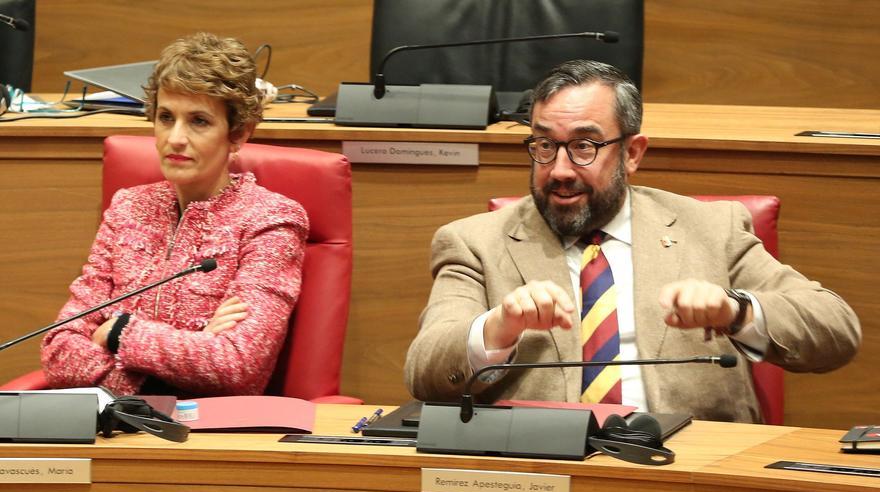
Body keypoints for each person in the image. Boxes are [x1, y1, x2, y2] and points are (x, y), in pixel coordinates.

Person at [404, 60, 861, 422]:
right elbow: (424, 371)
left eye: (584, 147)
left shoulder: (710, 228)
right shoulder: (473, 242)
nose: (560, 169)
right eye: (544, 146)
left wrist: (736, 310)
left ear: (632, 153)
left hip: (689, 466)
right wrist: (496, 329)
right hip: (542, 467)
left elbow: (835, 329)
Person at [41, 32, 308, 398]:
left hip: (208, 438)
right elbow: (58, 350)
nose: (176, 138)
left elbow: (238, 366)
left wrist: (118, 333)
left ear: (238, 134)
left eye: (198, 121)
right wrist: (178, 362)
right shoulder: (128, 208)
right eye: (166, 117)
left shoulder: (270, 221)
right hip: (117, 430)